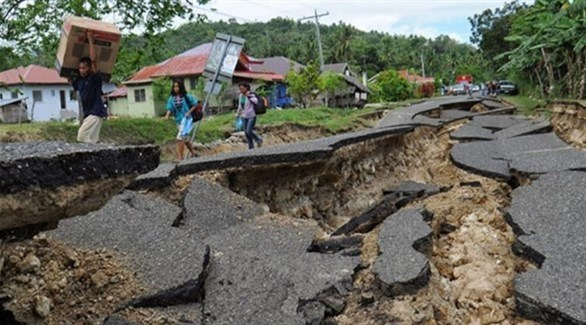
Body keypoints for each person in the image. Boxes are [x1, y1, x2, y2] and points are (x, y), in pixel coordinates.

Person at [71, 31, 107, 143]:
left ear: (90, 69)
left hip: (96, 112)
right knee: (92, 141)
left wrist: (90, 39)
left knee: (81, 136)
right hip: (88, 114)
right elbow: (68, 78)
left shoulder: (94, 78)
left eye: (84, 68)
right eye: (80, 68)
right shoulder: (79, 81)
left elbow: (93, 59)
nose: (81, 70)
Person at [164, 79, 198, 160]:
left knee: (180, 137)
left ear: (181, 87)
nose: (176, 88)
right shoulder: (172, 98)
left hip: (186, 120)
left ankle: (180, 157)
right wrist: (167, 115)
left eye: (177, 86)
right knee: (185, 138)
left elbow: (195, 104)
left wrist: (189, 112)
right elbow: (170, 108)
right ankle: (193, 153)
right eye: (174, 86)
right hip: (179, 121)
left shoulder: (186, 96)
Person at [236, 82, 263, 149]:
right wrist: (238, 113)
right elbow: (240, 105)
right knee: (246, 132)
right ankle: (251, 147)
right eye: (240, 89)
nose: (241, 90)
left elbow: (256, 101)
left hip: (251, 115)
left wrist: (249, 96)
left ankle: (258, 139)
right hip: (243, 116)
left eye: (242, 89)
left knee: (249, 130)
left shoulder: (251, 95)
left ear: (246, 88)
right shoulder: (241, 96)